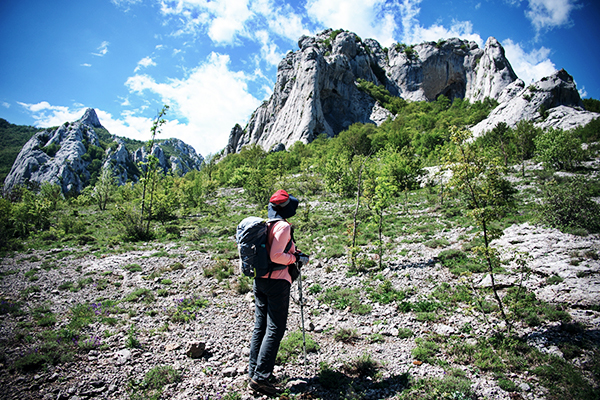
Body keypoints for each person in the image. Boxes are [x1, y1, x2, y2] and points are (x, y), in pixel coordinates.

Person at [248, 189, 309, 396]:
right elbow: (276, 256)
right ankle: (261, 378)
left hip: (260, 281)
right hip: (277, 283)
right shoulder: (282, 226)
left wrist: (291, 253)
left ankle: (254, 371)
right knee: (275, 329)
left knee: (260, 326)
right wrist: (295, 259)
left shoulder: (266, 225)